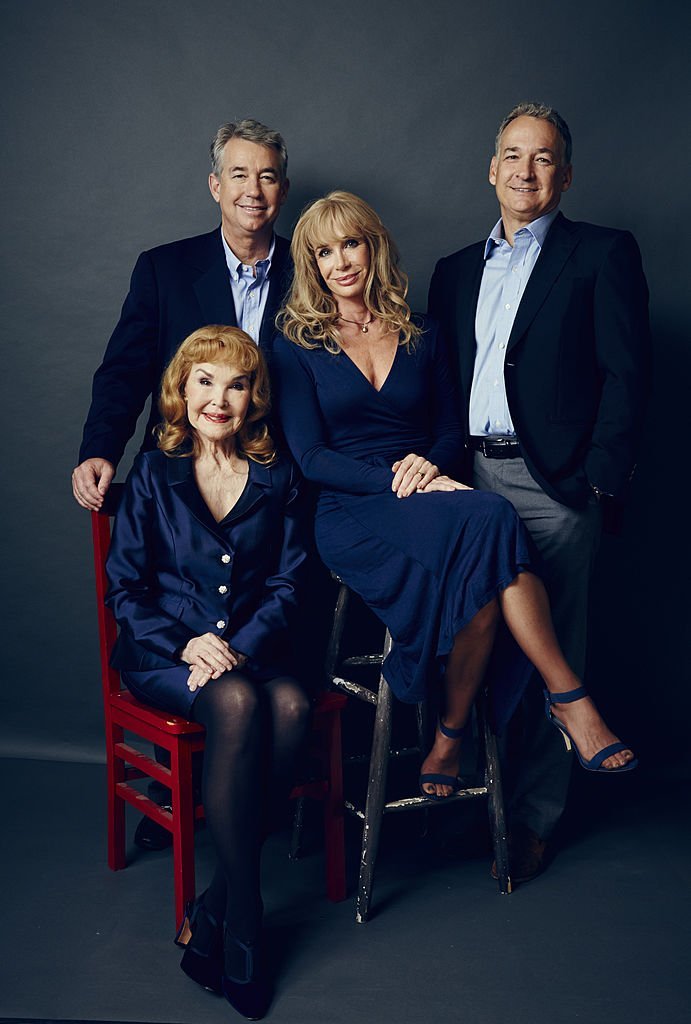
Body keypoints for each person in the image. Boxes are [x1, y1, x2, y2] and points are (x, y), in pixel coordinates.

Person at [273, 190, 635, 814]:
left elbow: (449, 429)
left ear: (374, 246)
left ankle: (451, 734)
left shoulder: (422, 331)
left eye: (351, 244)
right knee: (492, 520)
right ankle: (566, 698)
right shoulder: (295, 344)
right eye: (324, 252)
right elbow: (312, 459)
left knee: (483, 559)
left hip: (432, 491)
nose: (341, 263)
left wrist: (431, 465)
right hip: (354, 507)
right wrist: (398, 479)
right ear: (311, 264)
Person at [428, 102, 651, 881]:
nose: (527, 171)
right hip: (466, 480)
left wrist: (596, 475)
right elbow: (443, 381)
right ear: (491, 169)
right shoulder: (454, 270)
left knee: (554, 651)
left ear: (565, 173)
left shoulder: (600, 253)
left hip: (551, 480)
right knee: (476, 637)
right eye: (513, 156)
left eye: (544, 157)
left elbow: (628, 373)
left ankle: (531, 820)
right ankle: (475, 801)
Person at [74, 117, 291, 850]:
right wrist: (100, 447)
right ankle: (195, 804)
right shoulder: (165, 269)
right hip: (179, 480)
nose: (251, 189)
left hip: (271, 489)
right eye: (238, 174)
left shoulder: (309, 270)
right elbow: (127, 368)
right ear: (214, 185)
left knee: (270, 661)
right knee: (174, 605)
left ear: (281, 188)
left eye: (265, 175)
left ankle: (216, 809)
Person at [106, 325, 308, 1020]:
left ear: (253, 398)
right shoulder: (154, 474)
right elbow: (124, 590)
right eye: (203, 380)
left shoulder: (277, 475)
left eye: (235, 383)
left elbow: (287, 582)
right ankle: (247, 925)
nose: (217, 398)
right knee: (238, 707)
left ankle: (216, 903)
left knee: (290, 709)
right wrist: (188, 645)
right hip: (162, 657)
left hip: (249, 653)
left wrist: (241, 645)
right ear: (180, 390)